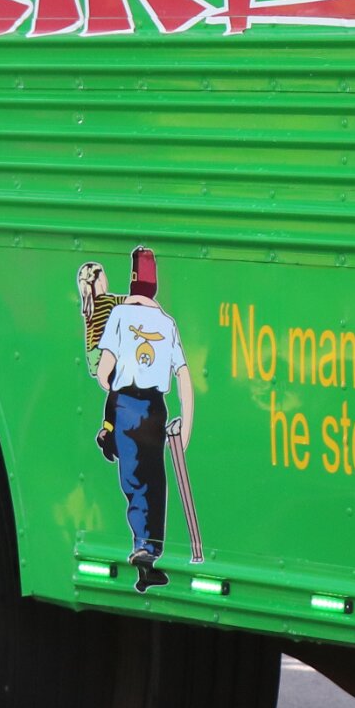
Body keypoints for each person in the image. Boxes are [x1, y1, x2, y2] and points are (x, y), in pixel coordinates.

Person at [90, 245, 195, 591]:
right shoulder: (167, 323)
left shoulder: (119, 316)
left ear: (132, 281)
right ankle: (151, 552)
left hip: (126, 407)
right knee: (154, 480)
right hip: (155, 409)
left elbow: (104, 372)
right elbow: (183, 375)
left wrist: (115, 381)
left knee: (133, 479)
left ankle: (141, 546)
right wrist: (186, 424)